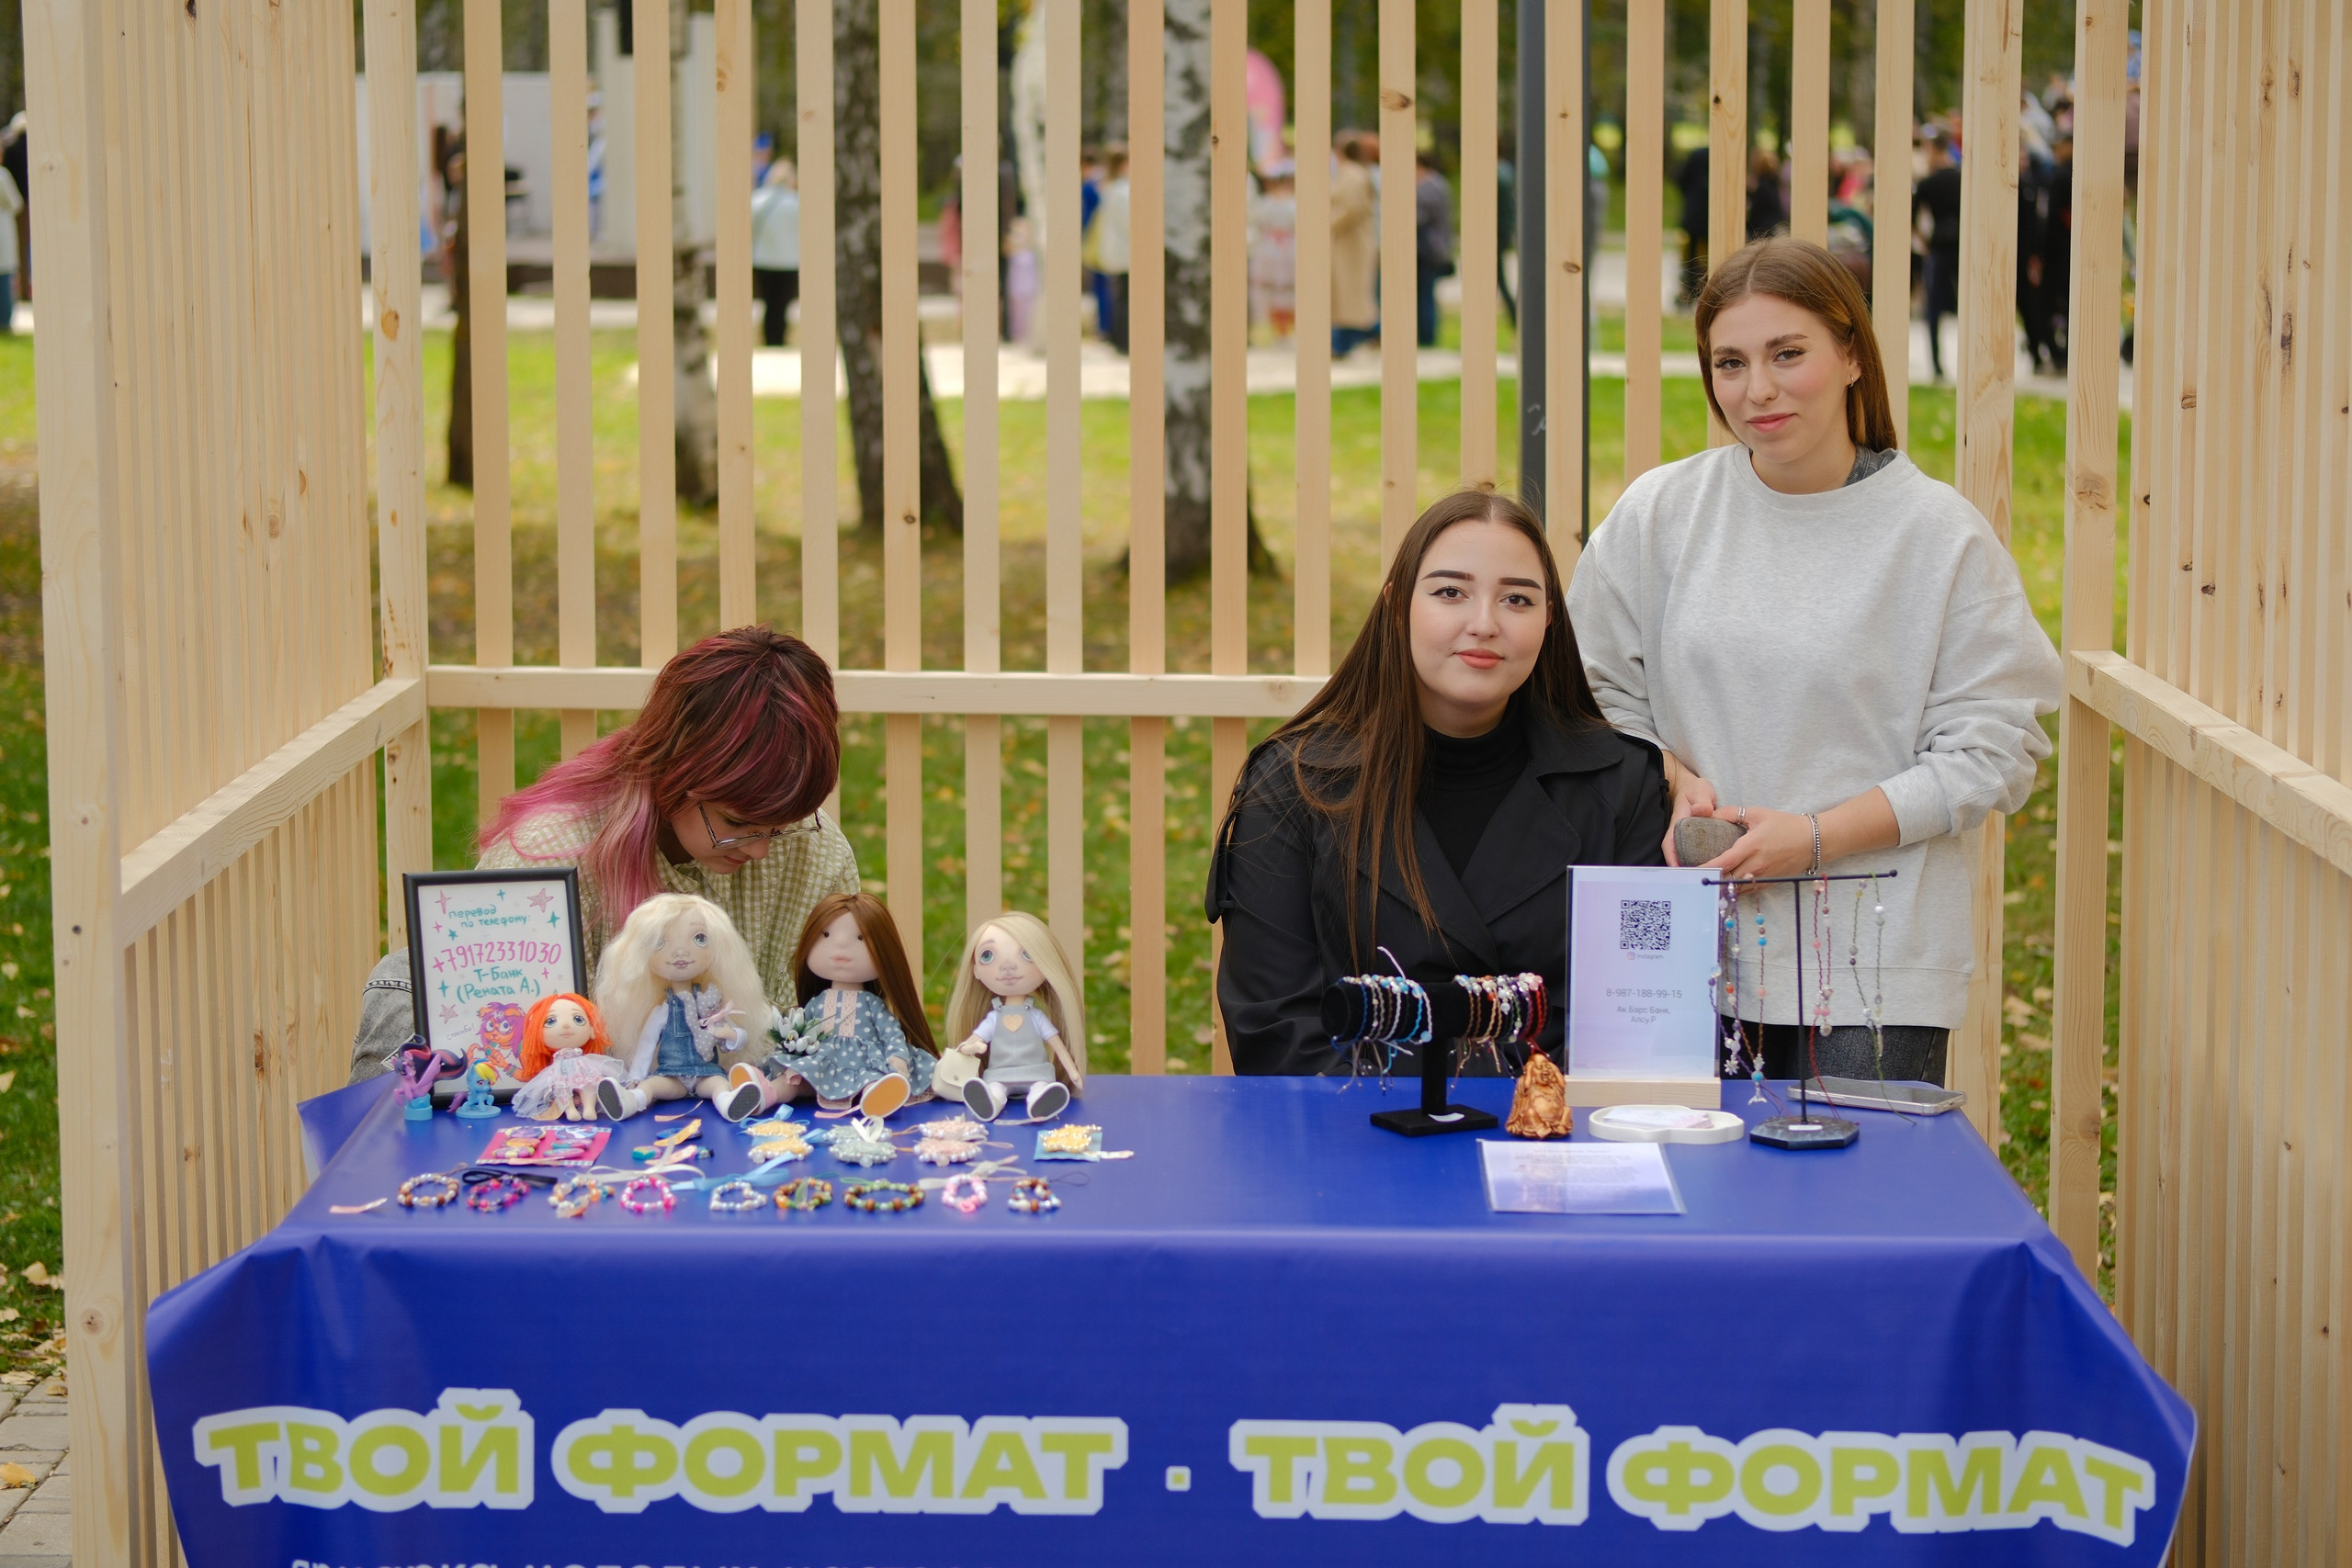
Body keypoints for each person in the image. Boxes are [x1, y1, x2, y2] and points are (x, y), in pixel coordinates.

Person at [1565, 237, 2063, 1089]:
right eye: (1730, 362)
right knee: (1692, 1202)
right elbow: (1586, 687)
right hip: (1678, 946)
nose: (1756, 389)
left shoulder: (1938, 537)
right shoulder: (1662, 515)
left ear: (1850, 356)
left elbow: (1993, 748)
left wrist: (1816, 838)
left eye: (1787, 354)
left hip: (1876, 962)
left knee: (1852, 1214)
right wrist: (1669, 772)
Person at [1208, 491, 1670, 1076]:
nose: (1484, 624)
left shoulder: (1623, 783)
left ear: (1550, 619)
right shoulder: (1292, 784)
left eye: (1517, 599)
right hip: (1357, 1145)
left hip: (1550, 1146)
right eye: (1450, 592)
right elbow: (1275, 1032)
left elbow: (1643, 1015)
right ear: (1397, 605)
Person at [347, 626, 859, 1081]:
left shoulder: (815, 845)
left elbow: (845, 1023)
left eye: (781, 825)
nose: (763, 849)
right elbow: (508, 1064)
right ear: (673, 769)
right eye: (738, 824)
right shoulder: (545, 860)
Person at [1914, 134, 1963, 379]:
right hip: (1963, 246)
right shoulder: (1961, 178)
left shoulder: (1928, 183)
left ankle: (1936, 363)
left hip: (1939, 246)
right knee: (1967, 305)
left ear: (1934, 149)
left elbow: (1912, 218)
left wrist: (1924, 241)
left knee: (1933, 308)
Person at [1330, 132, 1380, 357]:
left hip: (1351, 244)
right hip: (1348, 243)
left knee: (1351, 294)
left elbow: (1352, 208)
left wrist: (1328, 224)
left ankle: (1346, 343)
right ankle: (1349, 340)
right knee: (1350, 295)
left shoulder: (1352, 175)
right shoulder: (1354, 173)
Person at [751, 159, 800, 348]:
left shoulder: (757, 200)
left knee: (769, 304)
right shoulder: (796, 203)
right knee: (783, 305)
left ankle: (770, 338)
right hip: (788, 261)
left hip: (763, 260)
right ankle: (779, 339)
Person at [1413, 151, 1453, 348]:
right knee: (1427, 294)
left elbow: (1418, 218)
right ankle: (1427, 336)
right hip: (1436, 248)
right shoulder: (1440, 184)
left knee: (1425, 295)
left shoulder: (1426, 188)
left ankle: (1427, 337)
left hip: (1427, 250)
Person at [1093, 148, 1132, 353]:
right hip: (1125, 252)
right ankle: (1123, 340)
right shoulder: (1120, 190)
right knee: (1125, 297)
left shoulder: (1111, 188)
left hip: (1117, 252)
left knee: (1120, 296)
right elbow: (1129, 223)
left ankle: (1119, 338)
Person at [1675, 144, 1710, 303]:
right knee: (1713, 256)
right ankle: (1708, 288)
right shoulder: (1718, 155)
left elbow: (1681, 180)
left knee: (1690, 256)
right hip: (1711, 215)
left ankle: (1690, 289)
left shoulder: (1695, 155)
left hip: (1694, 216)